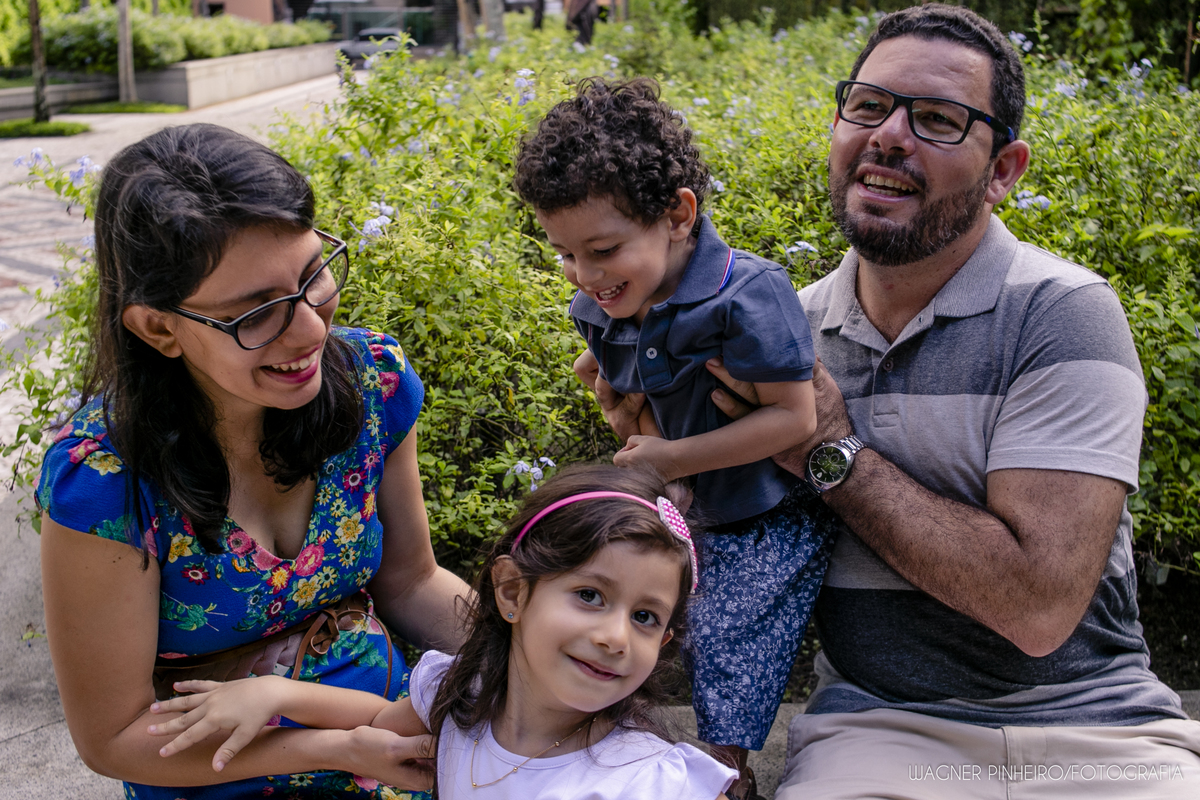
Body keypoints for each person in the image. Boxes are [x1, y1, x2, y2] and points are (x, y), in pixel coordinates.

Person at [586, 5, 1200, 799]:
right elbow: (721, 552)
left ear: (1004, 170)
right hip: (879, 732)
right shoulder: (773, 336)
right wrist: (656, 460)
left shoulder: (1062, 314)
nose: (889, 135)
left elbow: (1039, 608)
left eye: (938, 119)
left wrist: (826, 448)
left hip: (1094, 732)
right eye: (868, 106)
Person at [36, 123, 469, 799]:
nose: (312, 330)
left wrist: (527, 655)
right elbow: (112, 738)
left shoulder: (373, 387)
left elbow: (411, 584)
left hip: (396, 758)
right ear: (158, 328)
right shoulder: (104, 482)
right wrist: (339, 744)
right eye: (256, 312)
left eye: (312, 276)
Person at [513, 77, 832, 799]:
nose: (585, 277)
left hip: (767, 515)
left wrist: (669, 458)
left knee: (724, 634)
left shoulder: (747, 296)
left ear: (679, 214)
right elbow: (618, 384)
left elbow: (797, 420)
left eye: (602, 250)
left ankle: (726, 779)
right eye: (564, 254)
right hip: (683, 502)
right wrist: (630, 419)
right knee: (599, 594)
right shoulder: (606, 302)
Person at [144, 464, 739, 800]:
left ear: (664, 642)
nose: (615, 636)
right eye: (590, 596)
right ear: (511, 593)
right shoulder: (471, 696)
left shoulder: (646, 785)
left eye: (645, 617)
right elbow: (378, 721)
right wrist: (276, 693)